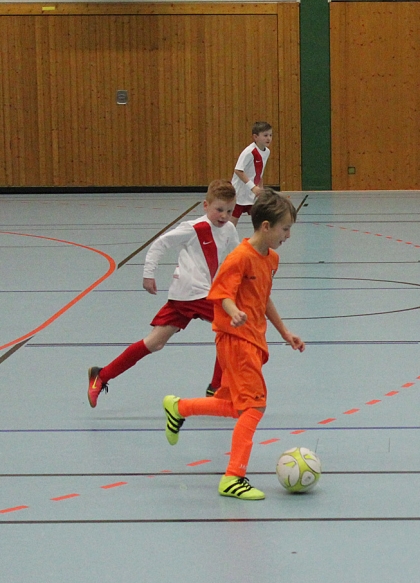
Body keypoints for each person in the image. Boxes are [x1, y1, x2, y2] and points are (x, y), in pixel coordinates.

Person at [162, 188, 304, 500]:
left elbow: (263, 298)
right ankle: (233, 477)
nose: (288, 235)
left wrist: (284, 332)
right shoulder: (239, 258)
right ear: (265, 226)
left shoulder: (271, 259)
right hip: (236, 340)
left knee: (235, 405)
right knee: (254, 406)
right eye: (285, 229)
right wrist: (233, 311)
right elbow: (220, 292)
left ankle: (179, 407)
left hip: (254, 341)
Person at [87, 180, 240, 407]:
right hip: (194, 293)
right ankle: (216, 387)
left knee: (154, 342)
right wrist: (148, 274)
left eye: (229, 211)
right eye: (219, 209)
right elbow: (160, 244)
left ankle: (101, 375)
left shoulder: (229, 229)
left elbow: (237, 257)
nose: (224, 216)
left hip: (187, 296)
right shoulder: (193, 228)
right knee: (233, 325)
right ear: (205, 205)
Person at [231, 121, 273, 223]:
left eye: (270, 135)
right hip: (239, 194)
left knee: (260, 221)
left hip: (252, 195)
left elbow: (259, 171)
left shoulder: (267, 152)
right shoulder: (249, 152)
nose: (269, 138)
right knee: (231, 224)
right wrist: (253, 187)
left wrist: (261, 188)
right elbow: (238, 170)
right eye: (265, 135)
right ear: (255, 137)